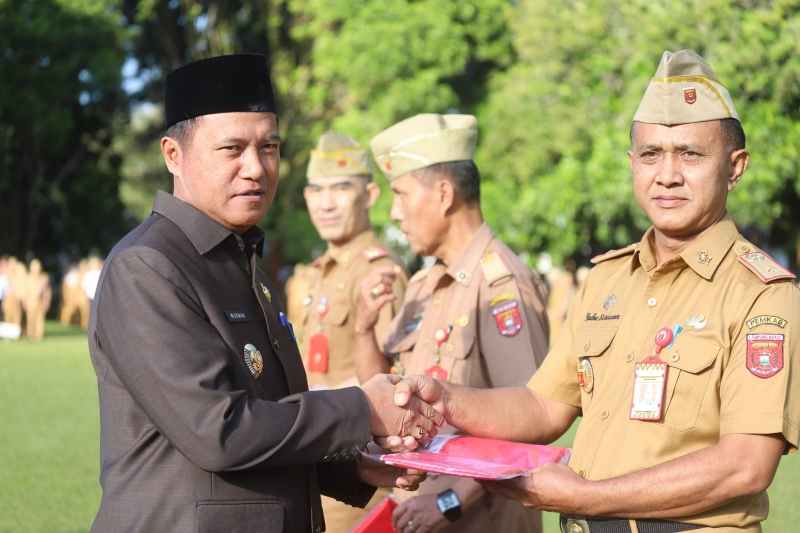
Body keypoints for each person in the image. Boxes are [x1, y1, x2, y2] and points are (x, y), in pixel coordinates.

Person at [390, 50, 800, 533]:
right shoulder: (608, 279)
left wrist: (587, 497)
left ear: (735, 167)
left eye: (691, 154)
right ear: (632, 163)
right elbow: (543, 406)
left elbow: (745, 466)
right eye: (651, 154)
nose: (667, 174)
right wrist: (447, 400)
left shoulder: (763, 294)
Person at [87, 54, 441, 533]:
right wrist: (362, 408)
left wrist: (353, 467)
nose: (255, 168)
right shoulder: (149, 266)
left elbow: (271, 418)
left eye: (269, 147)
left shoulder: (241, 258)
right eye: (231, 149)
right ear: (173, 155)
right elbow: (219, 431)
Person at [356, 113, 549, 533]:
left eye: (401, 195)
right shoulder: (423, 285)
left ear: (444, 194)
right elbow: (382, 396)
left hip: (482, 522)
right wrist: (363, 329)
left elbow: (530, 420)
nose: (394, 213)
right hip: (418, 512)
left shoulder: (501, 286)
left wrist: (449, 502)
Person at [300, 131, 408, 531]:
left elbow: (394, 381)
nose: (326, 203)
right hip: (317, 463)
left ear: (370, 195)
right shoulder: (317, 273)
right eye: (316, 190)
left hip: (359, 478)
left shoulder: (379, 272)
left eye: (341, 188)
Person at [22, 258, 51, 340]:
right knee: (30, 319)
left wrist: (47, 302)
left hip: (40, 302)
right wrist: (24, 301)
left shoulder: (44, 278)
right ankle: (30, 334)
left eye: (37, 267)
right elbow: (24, 291)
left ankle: (39, 335)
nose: (36, 269)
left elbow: (47, 292)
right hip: (30, 302)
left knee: (40, 320)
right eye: (34, 267)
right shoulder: (27, 278)